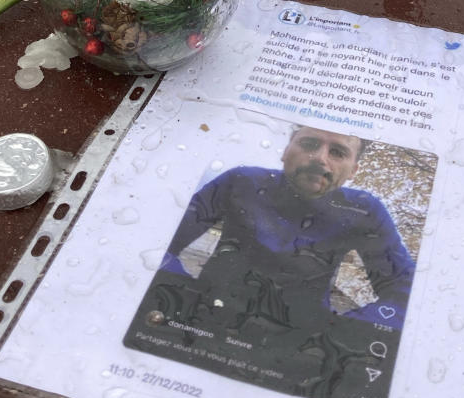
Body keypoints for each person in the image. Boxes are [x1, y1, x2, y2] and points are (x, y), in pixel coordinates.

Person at [157, 126, 415, 333]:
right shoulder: (241, 181)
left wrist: (347, 328)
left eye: (337, 152)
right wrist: (182, 291)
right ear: (286, 149)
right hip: (204, 318)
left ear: (353, 170)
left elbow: (402, 285)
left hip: (300, 337)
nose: (319, 158)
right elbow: (159, 237)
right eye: (309, 144)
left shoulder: (365, 209)